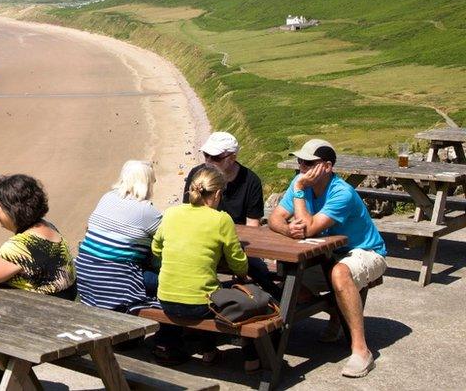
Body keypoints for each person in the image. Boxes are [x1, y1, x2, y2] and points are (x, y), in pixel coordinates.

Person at [269, 139, 387, 378]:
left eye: (308, 162)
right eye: (300, 161)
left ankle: (361, 350)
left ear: (327, 166)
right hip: (325, 254)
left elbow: (309, 228)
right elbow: (275, 218)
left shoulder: (341, 192)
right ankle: (336, 311)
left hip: (366, 251)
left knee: (340, 273)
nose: (301, 166)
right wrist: (286, 230)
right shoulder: (299, 181)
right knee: (287, 282)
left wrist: (300, 190)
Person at [153, 166, 257, 371]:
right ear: (218, 194)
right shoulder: (221, 219)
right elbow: (239, 264)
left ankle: (209, 350)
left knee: (205, 289)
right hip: (200, 305)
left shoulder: (172, 213)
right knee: (247, 297)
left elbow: (156, 249)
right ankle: (252, 357)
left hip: (166, 299)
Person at [184, 131, 280, 297]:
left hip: (234, 243)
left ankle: (278, 305)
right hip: (200, 239)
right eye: (206, 155)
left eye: (215, 158)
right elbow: (188, 213)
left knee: (259, 270)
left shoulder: (251, 181)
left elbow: (253, 227)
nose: (208, 162)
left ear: (233, 157)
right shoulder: (197, 174)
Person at [0, 174, 76, 298]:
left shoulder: (22, 245)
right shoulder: (48, 227)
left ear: (13, 210)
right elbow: (7, 264)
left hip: (42, 310)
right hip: (64, 300)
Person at [75, 160, 161, 313]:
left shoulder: (107, 197)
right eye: (152, 181)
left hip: (85, 273)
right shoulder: (146, 211)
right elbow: (170, 237)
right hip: (116, 283)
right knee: (167, 280)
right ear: (146, 183)